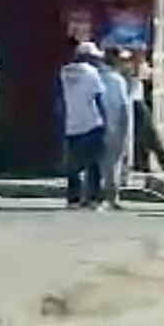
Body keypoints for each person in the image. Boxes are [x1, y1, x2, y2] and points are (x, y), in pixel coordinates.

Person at [60, 41, 107, 208]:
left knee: (72, 165)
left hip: (71, 124)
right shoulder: (92, 73)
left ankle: (73, 198)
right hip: (92, 123)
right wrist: (106, 121)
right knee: (93, 163)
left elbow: (60, 99)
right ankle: (93, 198)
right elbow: (99, 99)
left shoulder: (64, 73)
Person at [127, 55, 164, 173]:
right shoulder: (129, 66)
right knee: (150, 134)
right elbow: (144, 73)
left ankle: (143, 164)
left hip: (136, 100)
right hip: (135, 102)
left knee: (142, 136)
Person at [97, 49, 133, 210]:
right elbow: (124, 108)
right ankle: (111, 197)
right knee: (113, 165)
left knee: (101, 164)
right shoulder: (117, 80)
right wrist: (124, 131)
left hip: (96, 126)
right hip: (115, 126)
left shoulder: (96, 76)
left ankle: (99, 197)